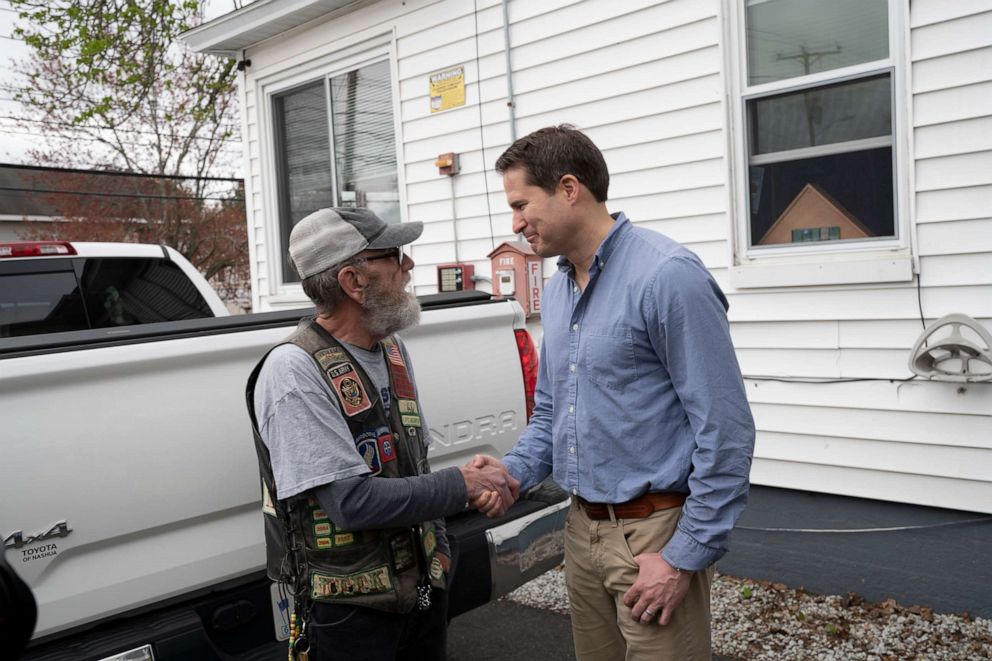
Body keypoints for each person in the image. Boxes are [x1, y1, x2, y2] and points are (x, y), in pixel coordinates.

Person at [478, 125, 756, 660]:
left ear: (567, 188)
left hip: (656, 534)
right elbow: (554, 412)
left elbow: (725, 429)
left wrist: (682, 557)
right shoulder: (559, 290)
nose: (514, 224)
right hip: (582, 529)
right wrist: (512, 473)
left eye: (520, 204)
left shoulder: (668, 276)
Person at [246, 207, 519, 661]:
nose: (407, 266)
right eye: (394, 255)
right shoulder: (293, 371)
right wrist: (465, 486)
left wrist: (442, 550)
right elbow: (350, 503)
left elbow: (413, 463)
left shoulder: (391, 349)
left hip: (424, 591)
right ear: (353, 281)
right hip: (351, 612)